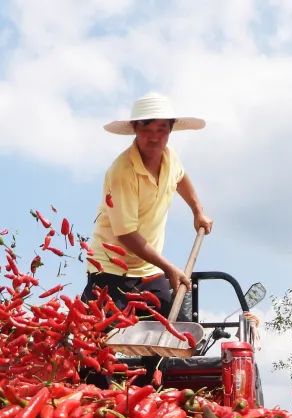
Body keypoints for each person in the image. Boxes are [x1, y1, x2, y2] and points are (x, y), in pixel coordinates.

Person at [81, 92, 213, 317]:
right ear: (135, 128)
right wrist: (169, 268)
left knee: (175, 330)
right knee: (105, 334)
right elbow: (126, 234)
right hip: (110, 270)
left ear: (171, 130)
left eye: (161, 129)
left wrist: (197, 211)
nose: (154, 138)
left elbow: (180, 177)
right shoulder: (123, 172)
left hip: (148, 271)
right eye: (147, 129)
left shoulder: (169, 158)